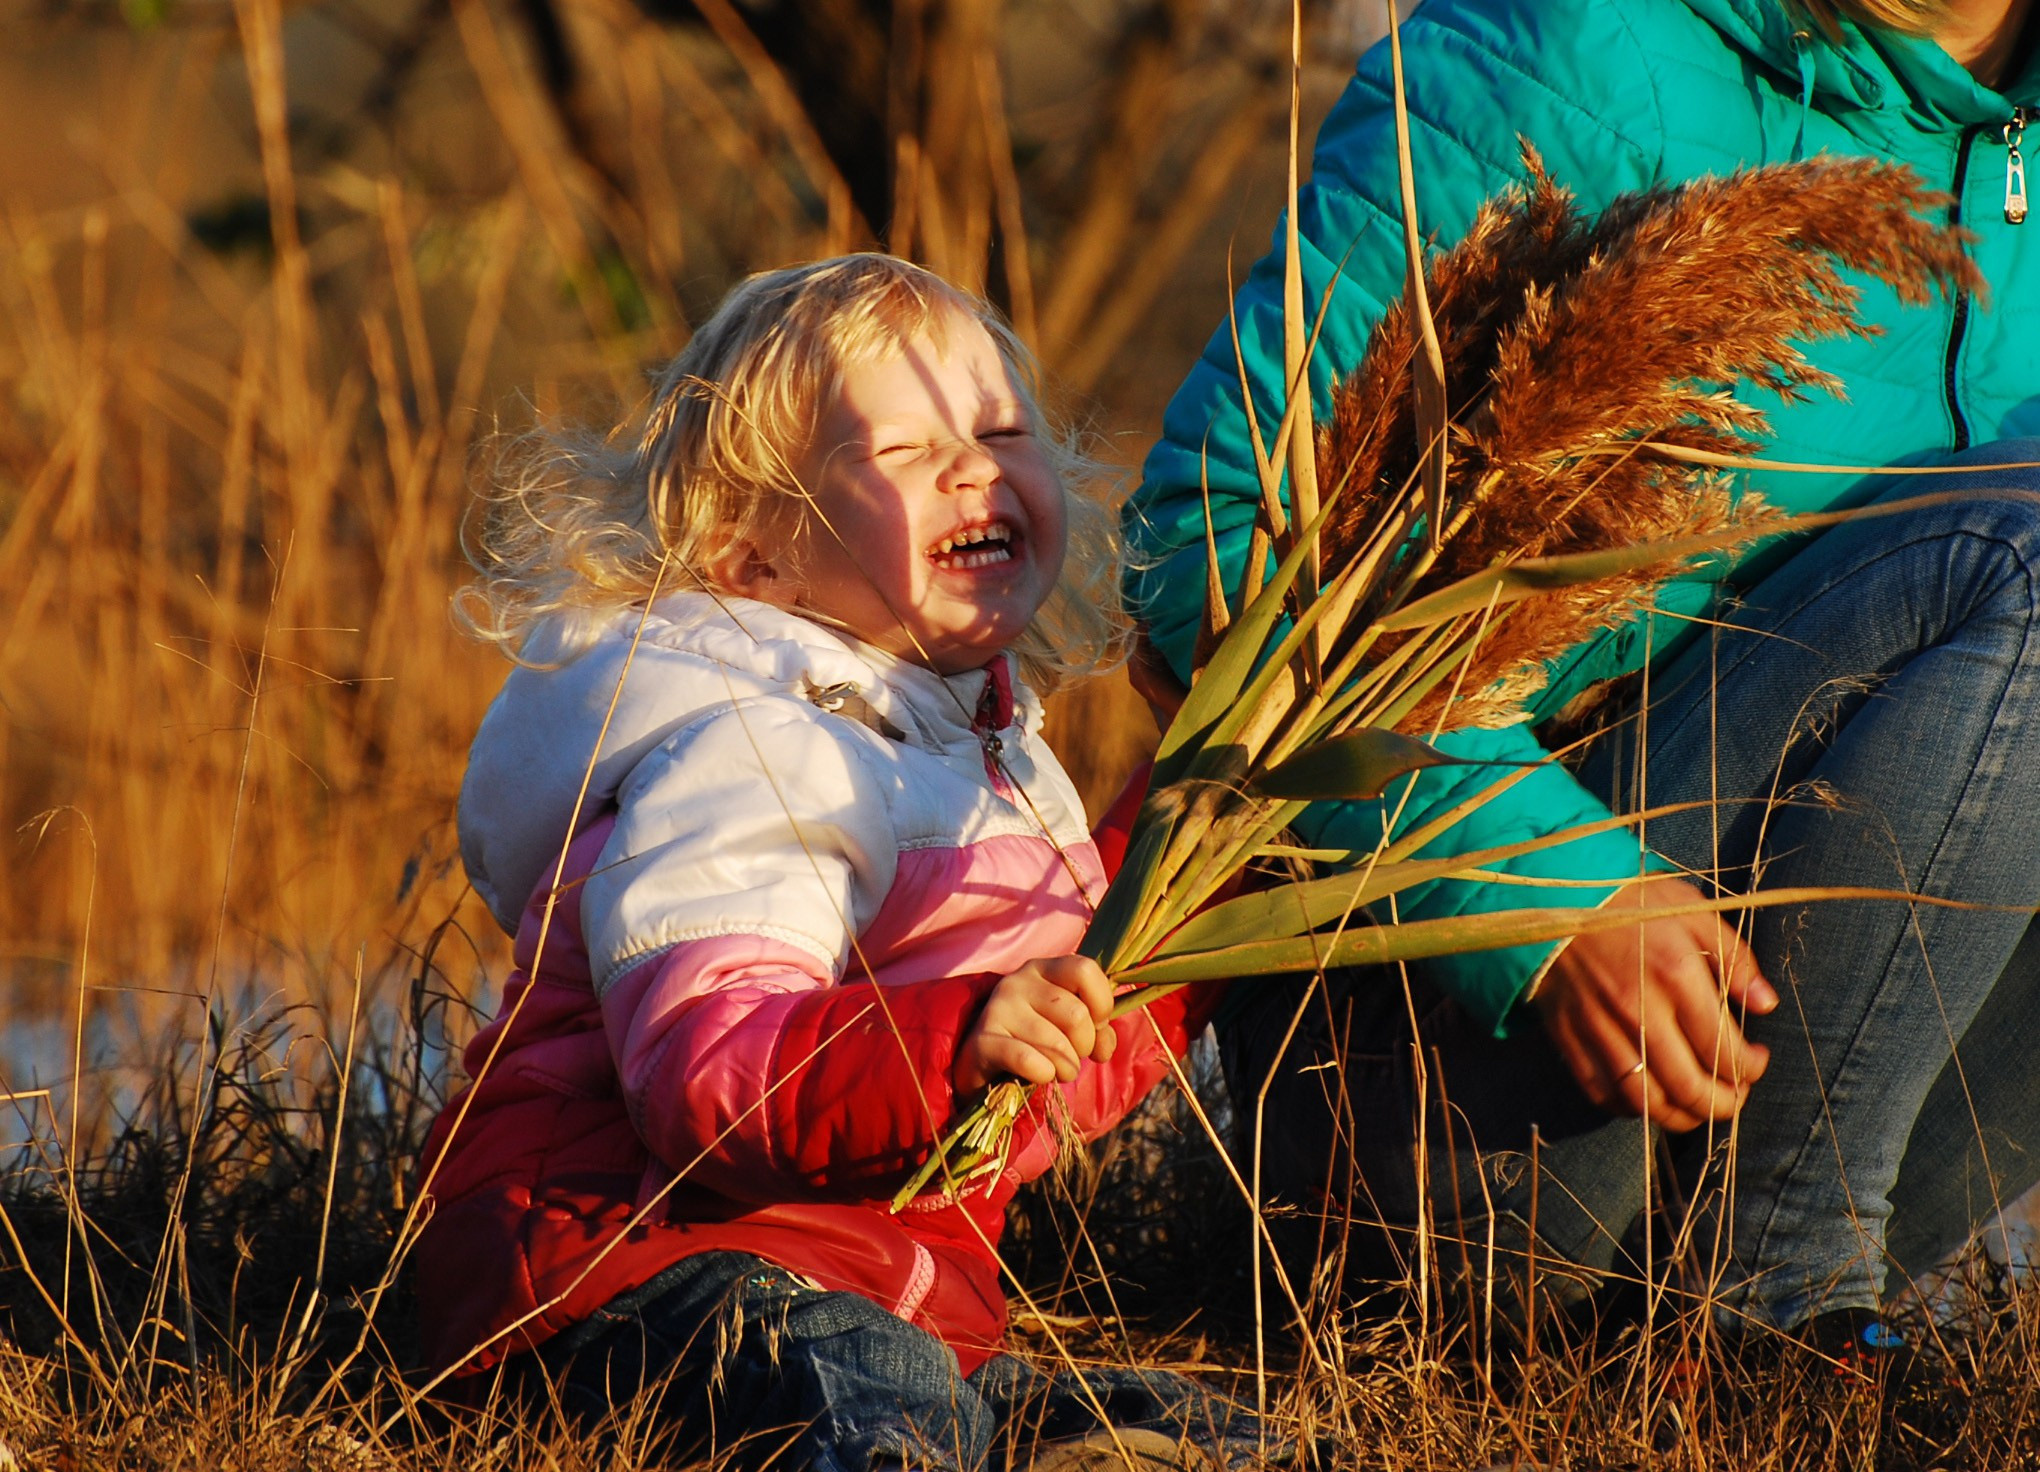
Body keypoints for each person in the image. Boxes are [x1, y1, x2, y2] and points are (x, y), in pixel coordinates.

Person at [1125, 0, 2040, 1355]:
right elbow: (1208, 548)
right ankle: (1778, 1325)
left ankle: (1786, 1311)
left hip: (1820, 1114)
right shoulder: (1578, 41)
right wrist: (1544, 892)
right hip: (1455, 1106)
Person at [417, 255, 1258, 1469]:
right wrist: (955, 1037)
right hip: (618, 1265)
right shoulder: (754, 745)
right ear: (752, 553)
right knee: (883, 1398)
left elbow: (1060, 1064)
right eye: (903, 451)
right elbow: (706, 1079)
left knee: (1174, 1427)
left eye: (1001, 427)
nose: (976, 465)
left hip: (876, 1291)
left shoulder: (979, 745)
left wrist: (1198, 840)